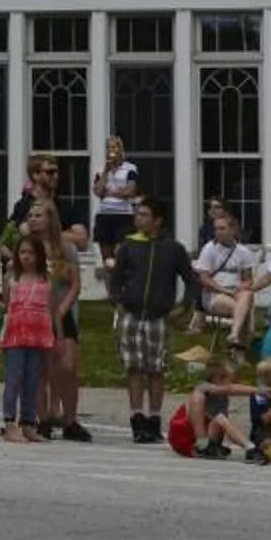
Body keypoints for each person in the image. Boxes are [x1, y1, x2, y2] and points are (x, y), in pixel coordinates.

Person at [105, 196, 200, 442]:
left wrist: (183, 307)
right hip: (132, 313)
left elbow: (191, 280)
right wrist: (118, 301)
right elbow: (116, 278)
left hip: (159, 316)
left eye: (145, 215)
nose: (139, 219)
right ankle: (137, 417)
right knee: (134, 367)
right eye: (137, 215)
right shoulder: (129, 245)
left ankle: (154, 418)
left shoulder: (173, 248)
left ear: (157, 220)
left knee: (156, 368)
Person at [0, 231, 59, 444]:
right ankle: (9, 423)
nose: (26, 257)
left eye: (31, 253)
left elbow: (52, 308)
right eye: (22, 252)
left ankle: (28, 423)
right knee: (14, 378)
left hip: (38, 336)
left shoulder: (46, 279)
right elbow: (8, 305)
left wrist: (55, 335)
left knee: (33, 380)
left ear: (39, 255)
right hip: (15, 334)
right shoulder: (12, 278)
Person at [189, 206, 259, 349]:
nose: (218, 232)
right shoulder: (210, 249)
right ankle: (239, 347)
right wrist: (225, 291)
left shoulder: (243, 251)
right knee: (243, 310)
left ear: (233, 230)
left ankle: (234, 336)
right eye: (216, 229)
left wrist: (243, 286)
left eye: (222, 228)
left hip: (236, 292)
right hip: (215, 294)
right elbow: (204, 279)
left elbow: (248, 279)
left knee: (247, 294)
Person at [87, 136, 139, 258]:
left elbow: (129, 192)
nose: (111, 150)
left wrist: (109, 192)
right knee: (107, 257)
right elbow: (98, 192)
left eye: (114, 147)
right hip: (104, 214)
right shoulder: (101, 171)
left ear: (120, 150)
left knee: (120, 253)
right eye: (108, 147)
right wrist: (106, 171)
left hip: (124, 214)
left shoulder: (130, 169)